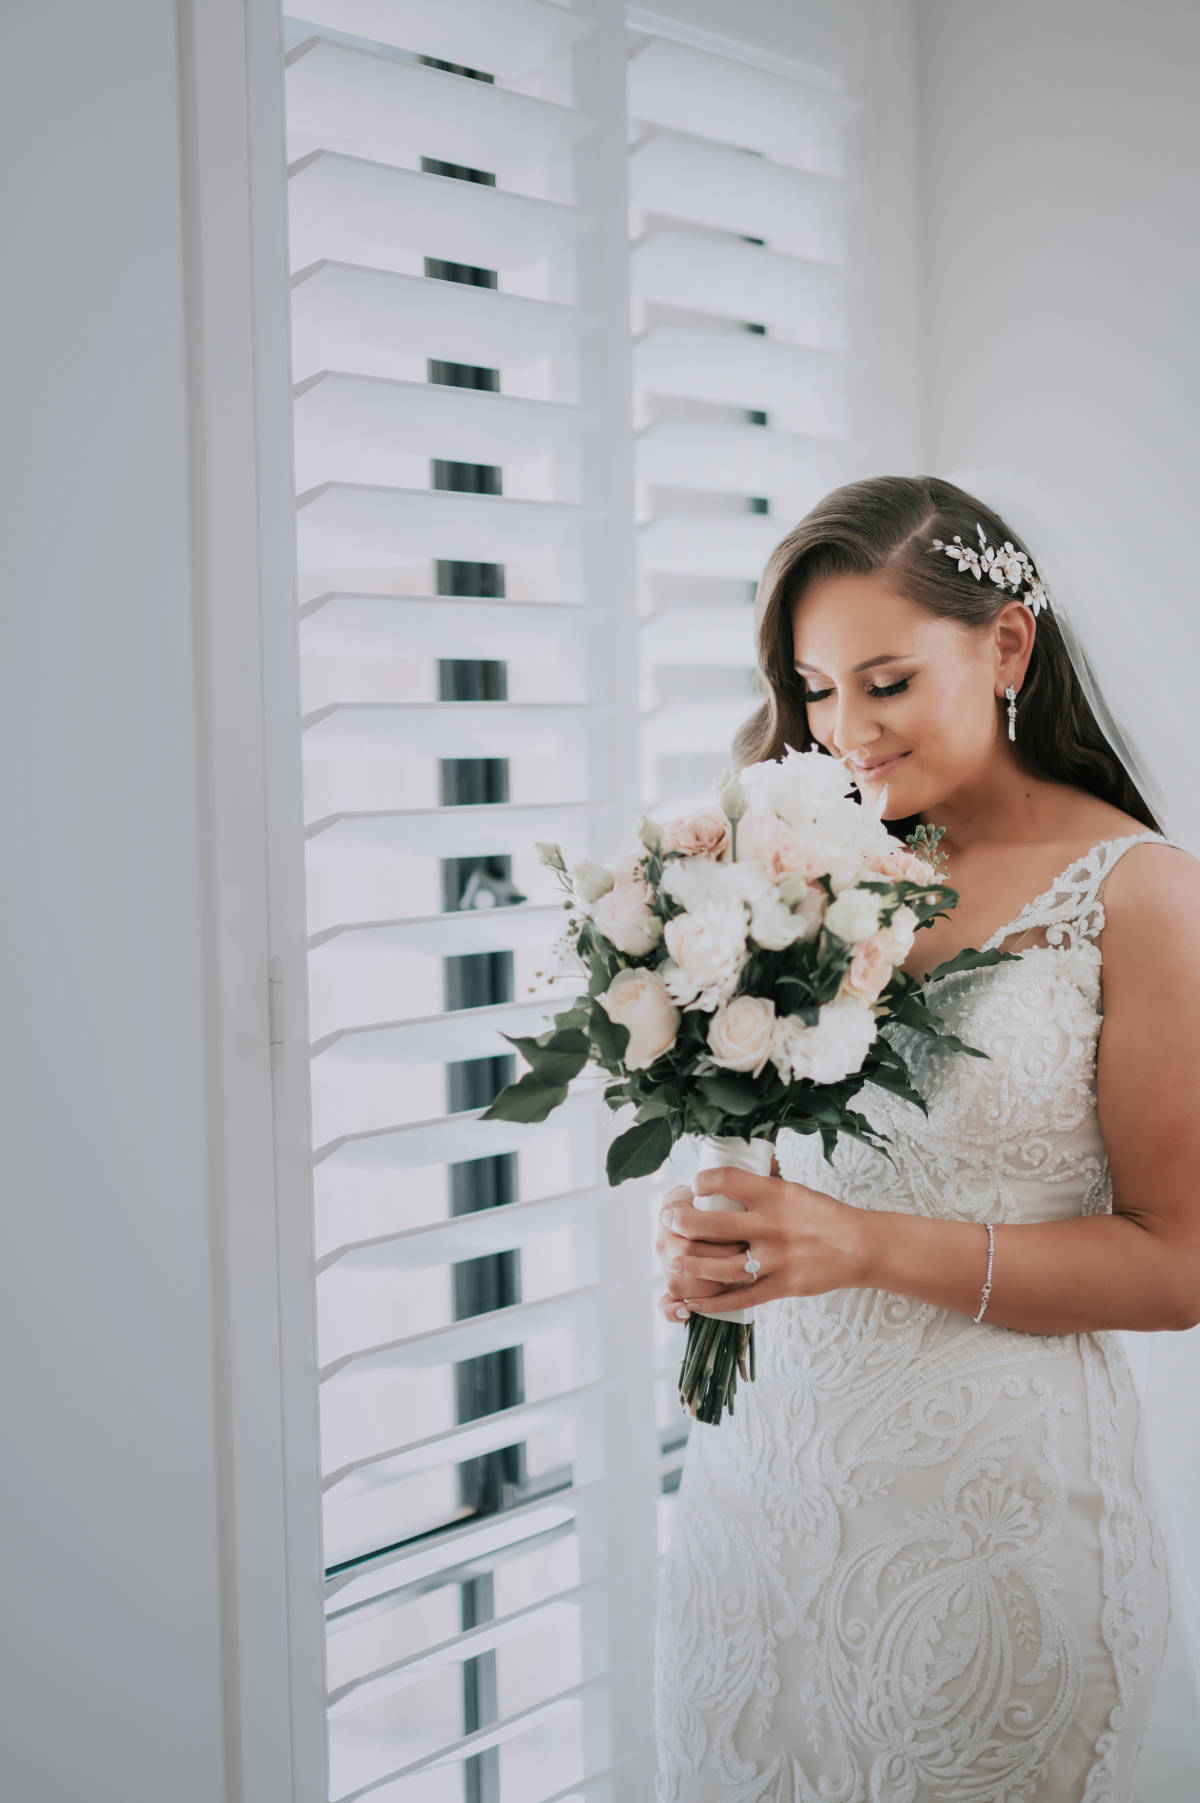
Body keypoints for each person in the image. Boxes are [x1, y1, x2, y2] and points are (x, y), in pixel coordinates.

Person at [651, 475, 1200, 1802]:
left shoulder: (1142, 896)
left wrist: (860, 1247)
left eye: (885, 682)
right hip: (753, 1508)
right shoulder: (793, 867)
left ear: (1006, 646)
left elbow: (1179, 1265)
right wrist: (716, 1237)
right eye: (816, 687)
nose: (845, 732)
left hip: (986, 1545)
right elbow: (775, 1147)